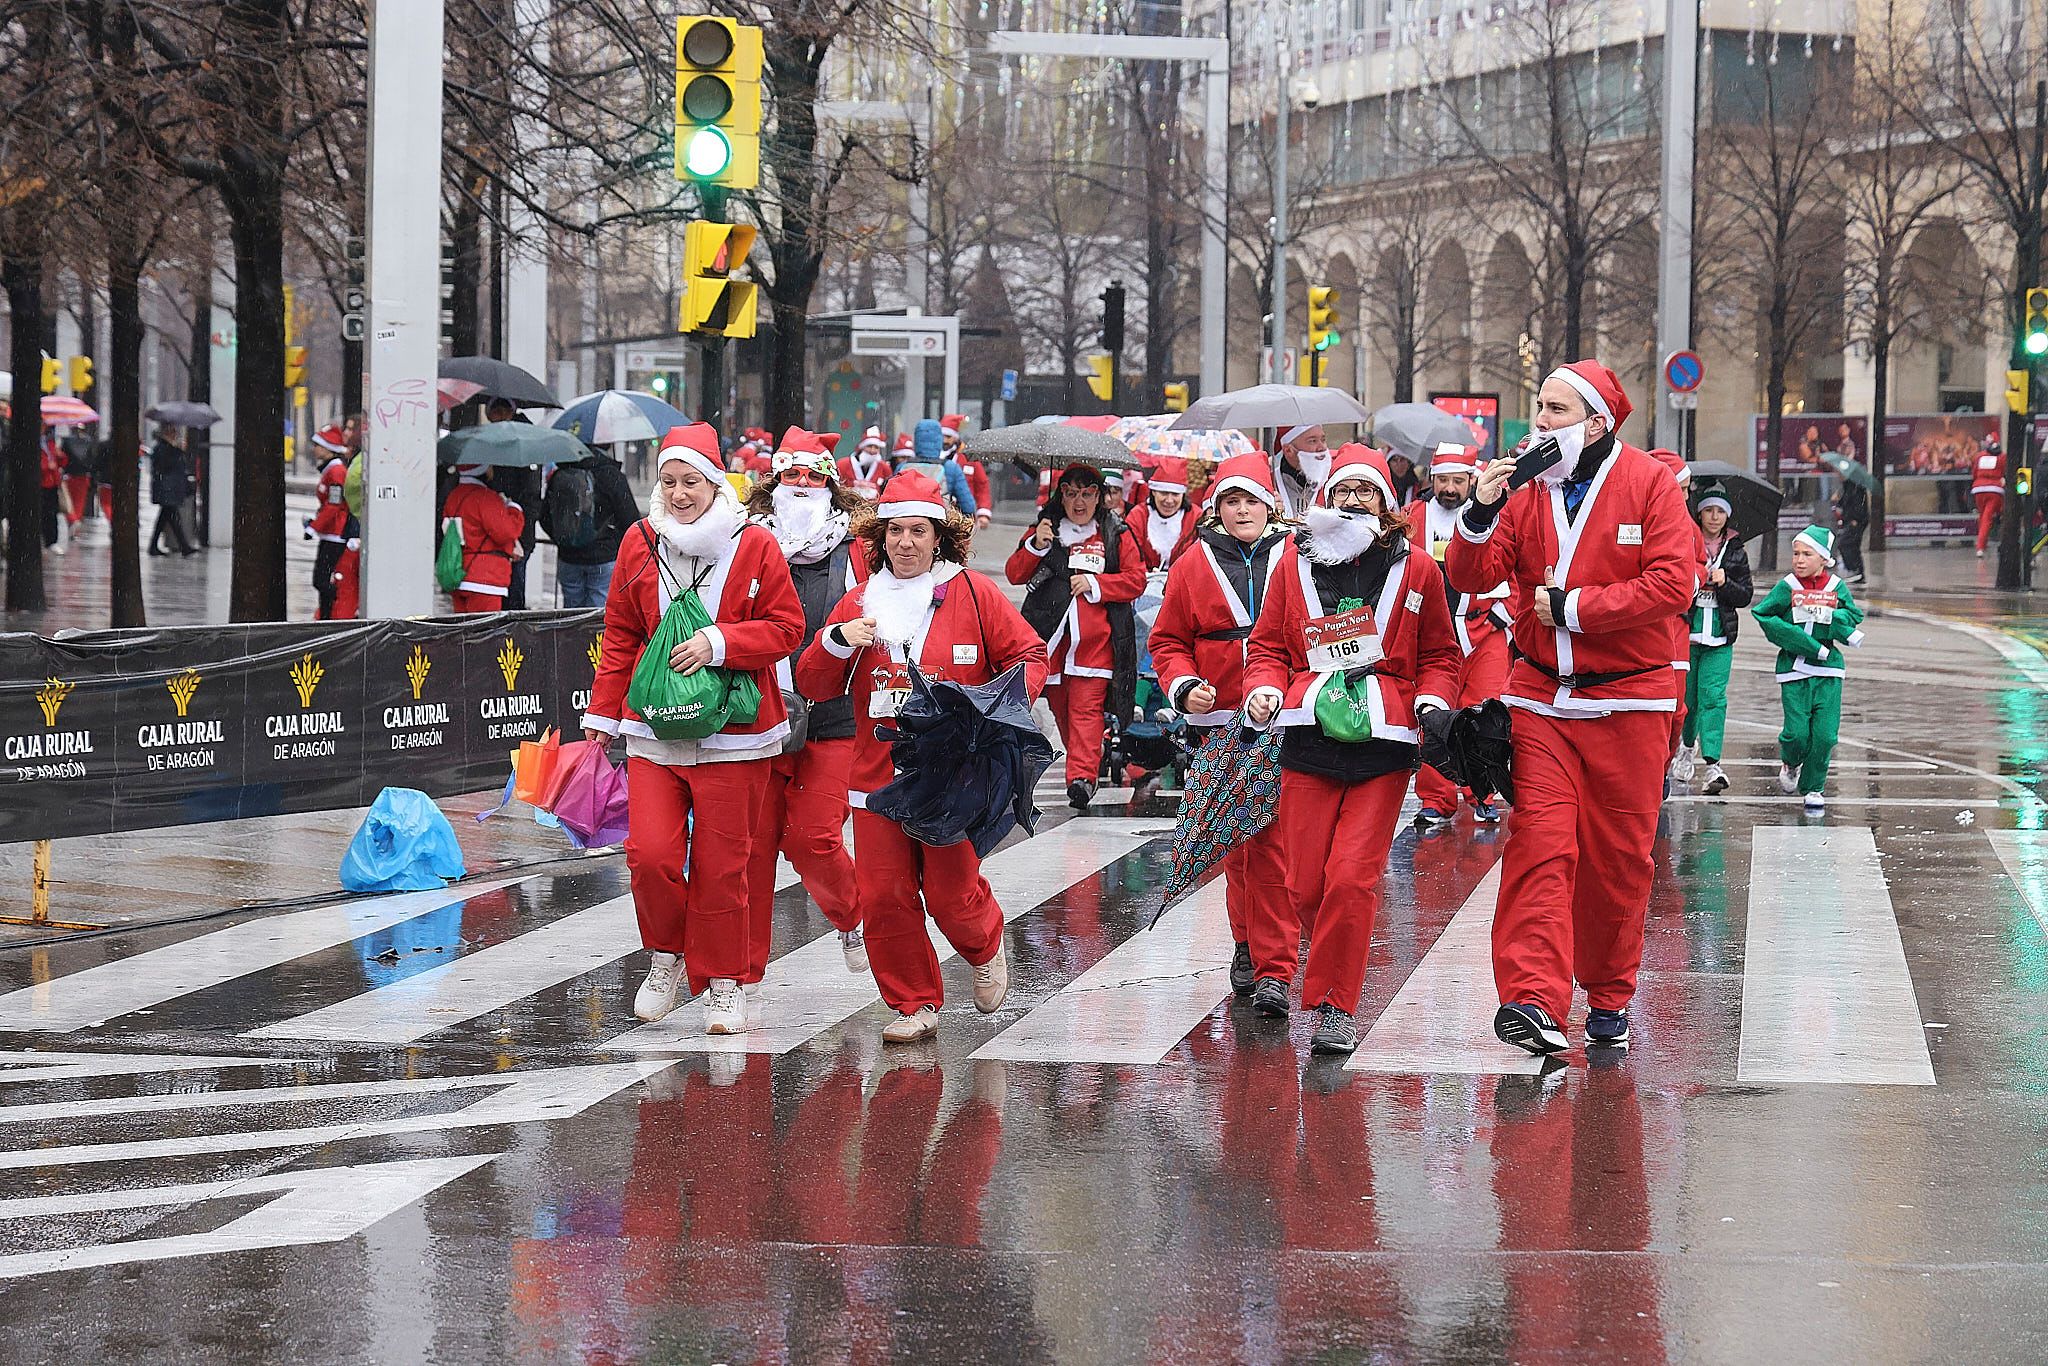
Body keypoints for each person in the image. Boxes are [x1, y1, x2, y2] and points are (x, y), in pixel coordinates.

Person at [1446, 360, 1695, 1056]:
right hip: (1541, 702)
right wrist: (1480, 510)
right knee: (1539, 847)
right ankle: (1531, 998)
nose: (1539, 423)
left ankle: (1609, 993)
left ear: (1594, 423)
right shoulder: (1526, 487)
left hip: (1633, 704)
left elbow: (1674, 583)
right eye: (1539, 408)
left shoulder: (1647, 483)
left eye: (1554, 410)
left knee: (1619, 864)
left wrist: (1576, 609)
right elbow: (1471, 575)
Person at [794, 469, 1048, 1043]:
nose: (905, 543)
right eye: (895, 531)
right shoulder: (859, 602)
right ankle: (914, 1003)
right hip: (876, 778)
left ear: (940, 537)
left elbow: (1031, 656)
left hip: (951, 775)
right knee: (883, 897)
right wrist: (836, 643)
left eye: (919, 531)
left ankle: (983, 946)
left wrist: (1000, 700)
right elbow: (812, 682)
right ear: (879, 537)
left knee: (950, 893)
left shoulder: (974, 594)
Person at [581, 422, 805, 1033]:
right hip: (655, 728)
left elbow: (787, 627)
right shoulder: (640, 541)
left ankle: (725, 982)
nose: (680, 494)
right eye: (669, 481)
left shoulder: (755, 544)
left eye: (693, 482)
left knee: (722, 867)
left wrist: (720, 642)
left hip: (736, 733)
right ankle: (667, 955)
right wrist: (602, 716)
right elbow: (622, 632)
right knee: (649, 854)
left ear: (715, 483)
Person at [1243, 445, 1460, 1054]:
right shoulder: (1293, 564)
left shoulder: (1417, 570)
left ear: (1387, 503)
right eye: (1344, 491)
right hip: (1308, 737)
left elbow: (1443, 655)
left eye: (1367, 490)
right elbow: (1266, 648)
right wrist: (1262, 691)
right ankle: (1331, 966)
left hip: (1383, 745)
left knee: (1351, 881)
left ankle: (1336, 1004)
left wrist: (1432, 701)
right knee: (1305, 885)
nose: (1354, 501)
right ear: (1326, 499)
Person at [1148, 451, 1292, 999]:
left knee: (1275, 846)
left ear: (1270, 505)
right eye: (1231, 500)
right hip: (1220, 722)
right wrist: (1186, 687)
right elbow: (1167, 643)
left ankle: (1275, 964)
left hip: (1286, 718)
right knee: (1236, 845)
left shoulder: (1298, 557)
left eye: (1251, 499)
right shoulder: (1192, 563)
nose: (1242, 510)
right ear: (1217, 508)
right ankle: (1248, 947)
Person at [743, 428, 871, 978]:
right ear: (774, 482)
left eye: (813, 476)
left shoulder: (858, 550)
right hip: (756, 715)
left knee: (814, 839)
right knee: (752, 851)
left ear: (831, 486)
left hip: (835, 719)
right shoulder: (746, 543)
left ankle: (852, 917)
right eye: (791, 475)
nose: (801, 486)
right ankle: (737, 978)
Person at [1006, 463, 1145, 807]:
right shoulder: (1045, 529)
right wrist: (1036, 545)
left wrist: (1096, 583)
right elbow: (1014, 573)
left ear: (1099, 497)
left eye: (1087, 493)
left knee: (1086, 709)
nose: (1078, 501)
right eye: (1070, 493)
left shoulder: (1115, 532)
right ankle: (1086, 758)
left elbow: (1136, 579)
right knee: (1063, 710)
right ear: (1061, 494)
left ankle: (1081, 778)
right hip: (1051, 643)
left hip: (1096, 644)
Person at [1409, 443, 1512, 825]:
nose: (1449, 488)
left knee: (1485, 716)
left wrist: (1505, 613)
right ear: (1431, 479)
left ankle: (1481, 792)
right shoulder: (1413, 515)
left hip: (1484, 632)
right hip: (1433, 636)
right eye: (1442, 480)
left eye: (1457, 480)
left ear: (1472, 479)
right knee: (1433, 715)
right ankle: (1435, 799)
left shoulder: (1497, 514)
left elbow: (1523, 562)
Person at [1752, 524, 1864, 816]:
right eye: (1796, 553)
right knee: (1796, 733)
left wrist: (1832, 616)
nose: (1799, 560)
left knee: (1825, 736)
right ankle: (1791, 761)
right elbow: (1763, 614)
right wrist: (1798, 640)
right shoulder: (1787, 586)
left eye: (1807, 554)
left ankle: (1814, 787)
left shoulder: (1836, 587)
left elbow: (1853, 616)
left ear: (1824, 559)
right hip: (1794, 670)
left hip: (1829, 672)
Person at [1677, 488, 1753, 797]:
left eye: (1720, 511)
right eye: (1709, 510)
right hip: (1687, 630)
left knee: (1713, 697)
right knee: (1688, 699)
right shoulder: (1685, 538)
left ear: (1727, 516)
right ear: (1700, 513)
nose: (1714, 517)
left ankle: (1713, 763)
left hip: (1721, 634)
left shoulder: (1735, 550)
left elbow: (1745, 595)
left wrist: (1725, 582)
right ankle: (1684, 748)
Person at [547, 443, 643, 610]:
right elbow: (630, 518)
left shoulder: (561, 474)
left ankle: (574, 636)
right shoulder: (610, 474)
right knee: (599, 613)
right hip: (603, 556)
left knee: (572, 612)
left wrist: (563, 539)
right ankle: (594, 636)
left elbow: (546, 515)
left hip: (569, 556)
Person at [440, 463, 526, 613]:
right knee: (484, 633)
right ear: (483, 471)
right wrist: (513, 508)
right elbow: (506, 533)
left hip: (458, 573)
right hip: (485, 579)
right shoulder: (485, 498)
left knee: (463, 632)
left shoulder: (454, 496)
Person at [1124, 456, 1195, 570]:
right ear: (1153, 492)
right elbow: (1130, 556)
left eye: (1175, 494)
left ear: (1183, 495)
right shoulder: (1138, 515)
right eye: (1164, 493)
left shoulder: (1196, 517)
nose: (1169, 500)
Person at [308, 434, 351, 619]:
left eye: (318, 445)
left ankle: (330, 614)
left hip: (335, 533)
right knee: (321, 579)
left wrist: (314, 527)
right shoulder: (331, 471)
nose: (314, 449)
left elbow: (334, 504)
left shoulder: (336, 472)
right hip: (329, 533)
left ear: (328, 448)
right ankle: (327, 614)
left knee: (321, 579)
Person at [147, 424, 198, 556]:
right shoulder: (164, 449)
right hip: (167, 489)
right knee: (172, 518)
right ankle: (183, 546)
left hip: (169, 489)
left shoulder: (167, 449)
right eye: (173, 432)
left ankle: (157, 545)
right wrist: (177, 450)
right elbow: (166, 466)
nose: (175, 435)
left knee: (166, 518)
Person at [939, 413, 993, 528]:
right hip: (938, 515)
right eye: (941, 436)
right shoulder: (932, 459)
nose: (944, 441)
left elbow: (982, 486)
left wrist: (983, 513)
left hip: (963, 518)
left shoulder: (969, 459)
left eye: (948, 437)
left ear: (956, 437)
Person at [1272, 424, 1331, 515]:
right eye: (1312, 441)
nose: (1321, 447)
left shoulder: (1335, 482)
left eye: (1323, 440)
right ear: (1288, 450)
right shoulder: (1270, 484)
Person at [1971, 438, 2004, 560]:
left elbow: (1974, 473)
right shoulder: (2001, 457)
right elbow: (2004, 472)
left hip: (1979, 490)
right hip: (1994, 491)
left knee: (1982, 517)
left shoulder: (1980, 456)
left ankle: (1982, 544)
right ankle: (1980, 547)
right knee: (1987, 519)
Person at [837, 426, 892, 499]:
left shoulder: (884, 468)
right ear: (862, 447)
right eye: (869, 446)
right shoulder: (843, 464)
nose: (872, 450)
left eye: (876, 447)